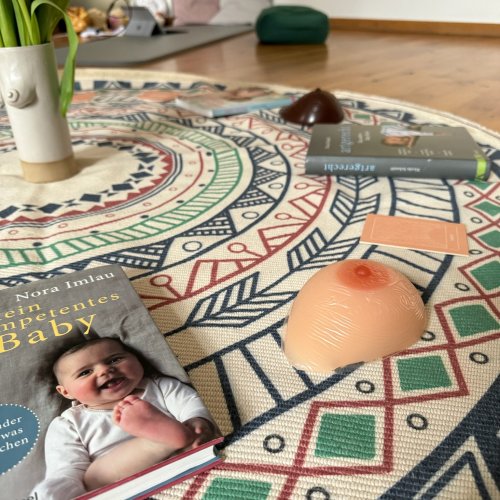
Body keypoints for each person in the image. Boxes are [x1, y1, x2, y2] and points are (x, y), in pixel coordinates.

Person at [32, 337, 218, 499]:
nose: (105, 370)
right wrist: (59, 489)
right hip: (118, 479)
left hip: (180, 456)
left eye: (115, 359)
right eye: (85, 372)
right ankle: (159, 441)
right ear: (66, 392)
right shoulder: (68, 423)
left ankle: (166, 439)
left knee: (188, 430)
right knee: (90, 478)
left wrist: (198, 421)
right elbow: (66, 469)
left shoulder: (159, 386)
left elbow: (190, 403)